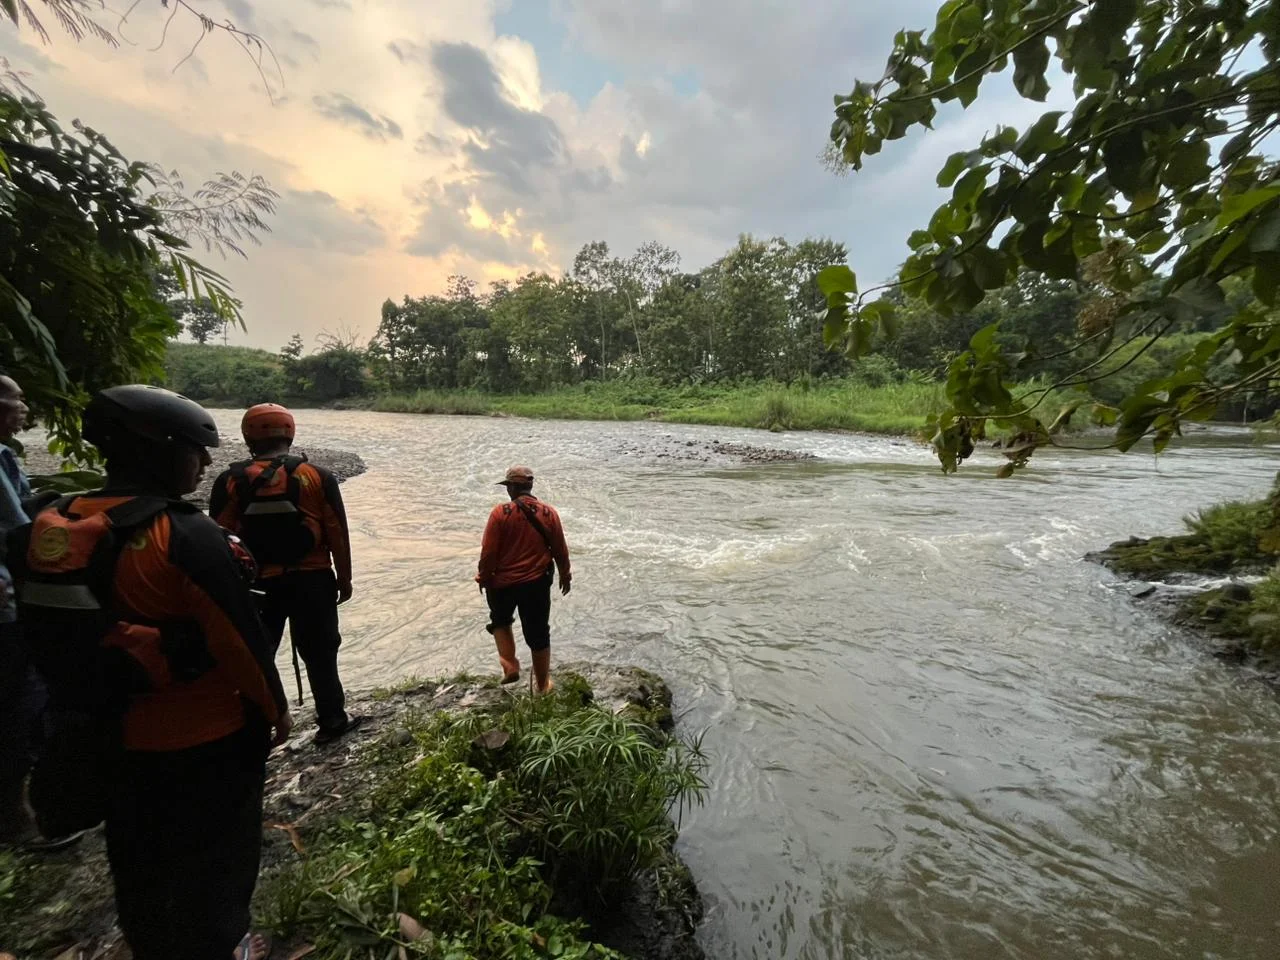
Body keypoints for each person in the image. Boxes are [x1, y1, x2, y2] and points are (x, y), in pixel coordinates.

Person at [9, 384, 291, 960]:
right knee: (218, 854)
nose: (204, 461)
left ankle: (150, 944)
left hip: (101, 733)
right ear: (159, 451)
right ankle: (226, 945)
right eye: (194, 449)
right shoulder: (185, 535)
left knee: (135, 853)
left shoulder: (49, 524)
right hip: (201, 736)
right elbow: (240, 643)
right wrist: (276, 710)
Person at [210, 403, 358, 744]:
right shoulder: (317, 477)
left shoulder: (231, 480)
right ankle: (333, 720)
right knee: (321, 653)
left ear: (248, 436)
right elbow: (337, 531)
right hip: (313, 580)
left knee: (256, 654)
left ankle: (255, 727)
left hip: (257, 585)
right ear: (290, 434)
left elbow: (218, 537)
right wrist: (345, 579)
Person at [476, 465, 571, 693]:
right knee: (538, 634)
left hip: (501, 583)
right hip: (536, 583)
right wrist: (565, 574)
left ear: (511, 488)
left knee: (500, 621)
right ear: (530, 486)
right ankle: (542, 685)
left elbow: (488, 552)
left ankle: (510, 665)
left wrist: (483, 577)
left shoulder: (499, 513)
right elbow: (560, 548)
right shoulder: (549, 513)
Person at [0, 369, 39, 846]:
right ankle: (14, 815)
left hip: (13, 596)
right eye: (16, 399)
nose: (23, 408)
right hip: (6, 600)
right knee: (17, 701)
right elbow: (17, 529)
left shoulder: (5, 456)